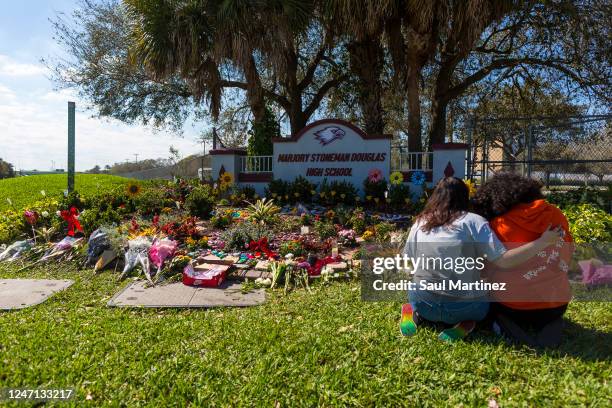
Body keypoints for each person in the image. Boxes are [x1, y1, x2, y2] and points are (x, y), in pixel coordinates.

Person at [400, 177, 564, 342]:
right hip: (465, 307)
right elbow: (505, 261)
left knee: (418, 289)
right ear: (466, 198)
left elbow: (408, 260)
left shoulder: (421, 221)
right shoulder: (474, 221)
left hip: (422, 301)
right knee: (488, 297)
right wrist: (542, 242)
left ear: (435, 197)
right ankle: (467, 321)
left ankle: (414, 311)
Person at [472, 173, 573, 347]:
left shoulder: (499, 225)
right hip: (557, 304)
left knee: (485, 297)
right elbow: (568, 251)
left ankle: (504, 323)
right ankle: (551, 321)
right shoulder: (556, 215)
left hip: (514, 307)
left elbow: (486, 268)